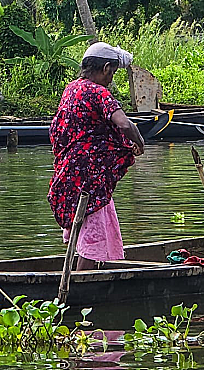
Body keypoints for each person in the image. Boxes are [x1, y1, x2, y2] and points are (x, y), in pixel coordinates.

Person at [48, 42, 145, 270]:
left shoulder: (71, 89)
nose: (111, 79)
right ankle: (80, 283)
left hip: (70, 173)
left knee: (83, 228)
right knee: (94, 234)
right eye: (112, 73)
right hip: (91, 177)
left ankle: (75, 278)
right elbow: (124, 124)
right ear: (106, 68)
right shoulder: (98, 92)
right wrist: (140, 142)